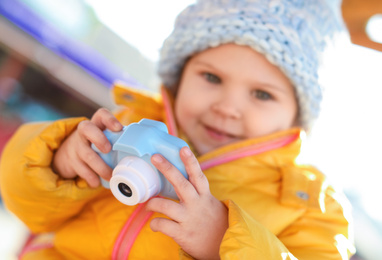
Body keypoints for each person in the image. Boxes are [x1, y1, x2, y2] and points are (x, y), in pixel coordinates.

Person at [0, 0, 355, 259]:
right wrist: (59, 161)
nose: (227, 108)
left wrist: (224, 241)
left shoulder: (310, 205)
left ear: (297, 115)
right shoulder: (127, 124)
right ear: (180, 75)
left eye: (262, 94)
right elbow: (24, 204)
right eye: (212, 77)